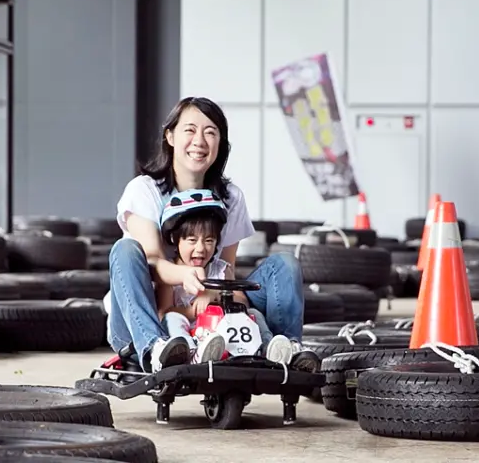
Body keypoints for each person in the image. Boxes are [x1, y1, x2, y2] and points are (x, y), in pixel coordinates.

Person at [103, 96, 320, 374]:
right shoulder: (144, 190)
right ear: (170, 136)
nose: (200, 141)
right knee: (125, 250)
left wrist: (219, 299)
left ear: (220, 143)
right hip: (147, 317)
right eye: (190, 130)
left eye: (210, 132)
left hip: (209, 309)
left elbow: (226, 270)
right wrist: (188, 280)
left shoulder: (230, 198)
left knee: (285, 265)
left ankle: (286, 350)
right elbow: (154, 263)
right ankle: (156, 349)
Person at [157, 187, 299, 364]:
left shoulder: (220, 270)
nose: (201, 249)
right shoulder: (171, 273)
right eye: (192, 240)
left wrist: (215, 294)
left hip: (224, 332)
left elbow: (243, 301)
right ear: (175, 240)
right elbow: (164, 313)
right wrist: (194, 311)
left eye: (209, 241)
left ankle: (268, 349)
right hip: (193, 332)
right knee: (172, 318)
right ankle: (190, 353)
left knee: (253, 312)